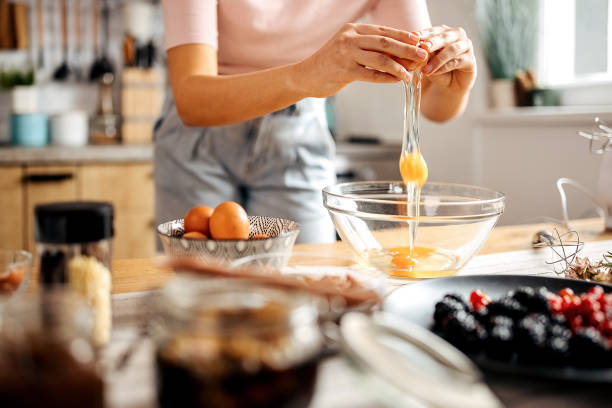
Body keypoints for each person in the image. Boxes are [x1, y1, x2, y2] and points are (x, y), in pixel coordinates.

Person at [155, 0, 477, 244]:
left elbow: (434, 105)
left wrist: (455, 85)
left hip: (299, 131)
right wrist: (309, 75)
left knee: (304, 291)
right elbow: (192, 100)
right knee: (198, 294)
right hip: (200, 141)